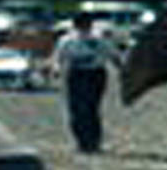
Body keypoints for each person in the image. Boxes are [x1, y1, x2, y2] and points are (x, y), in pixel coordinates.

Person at [51, 12, 119, 153]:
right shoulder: (67, 40)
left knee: (91, 108)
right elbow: (58, 56)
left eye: (86, 23)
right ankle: (81, 142)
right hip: (76, 74)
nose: (84, 26)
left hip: (95, 74)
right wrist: (56, 69)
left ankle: (93, 142)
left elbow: (112, 54)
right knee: (76, 109)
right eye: (81, 24)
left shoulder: (99, 39)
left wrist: (121, 68)